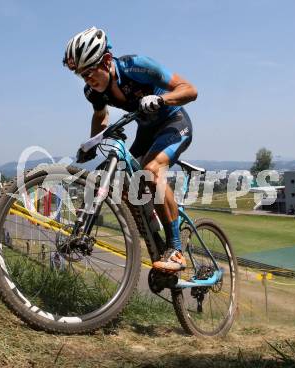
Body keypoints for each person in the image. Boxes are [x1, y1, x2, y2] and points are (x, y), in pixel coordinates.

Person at [63, 27, 198, 272]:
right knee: (126, 184)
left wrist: (161, 99)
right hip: (146, 131)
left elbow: (189, 90)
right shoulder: (93, 92)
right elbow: (100, 117)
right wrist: (92, 143)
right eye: (82, 75)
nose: (88, 80)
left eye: (90, 72)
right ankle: (155, 237)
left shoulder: (137, 66)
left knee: (151, 171)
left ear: (106, 61)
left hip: (173, 123)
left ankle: (176, 249)